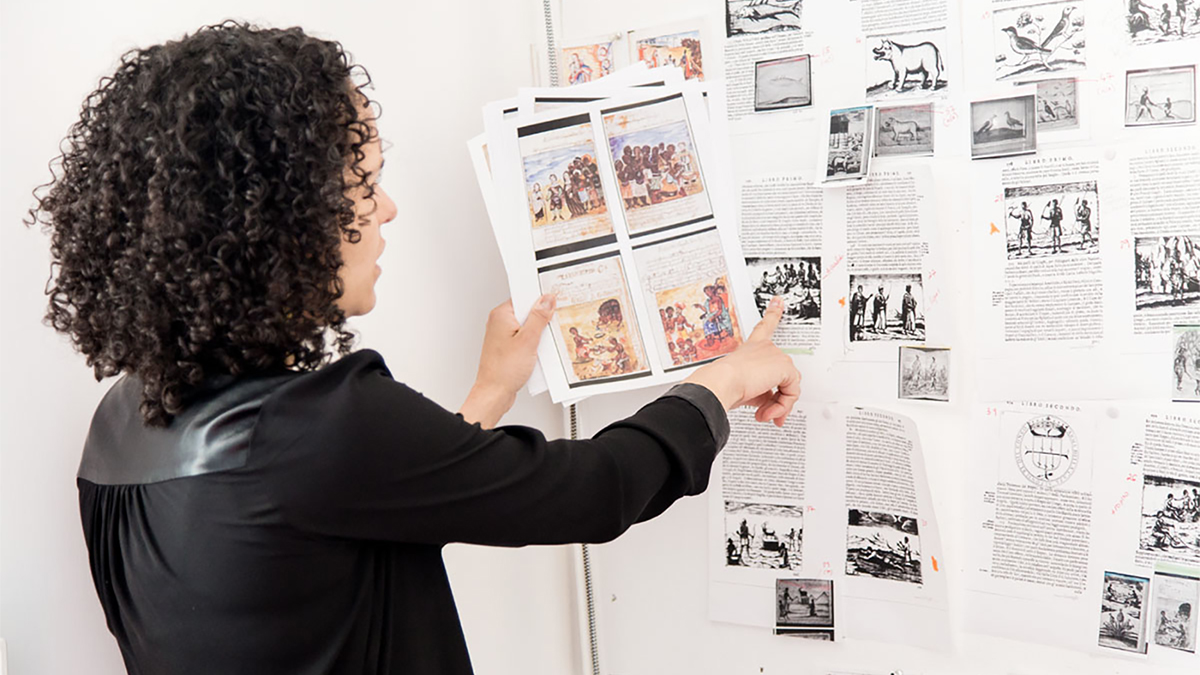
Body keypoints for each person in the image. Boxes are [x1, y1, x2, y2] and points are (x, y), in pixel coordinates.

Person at [30, 23, 802, 675]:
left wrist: (491, 393)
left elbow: (324, 537)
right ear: (282, 216)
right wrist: (726, 379)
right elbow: (596, 488)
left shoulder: (118, 429)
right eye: (364, 184)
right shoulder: (316, 426)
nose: (388, 208)